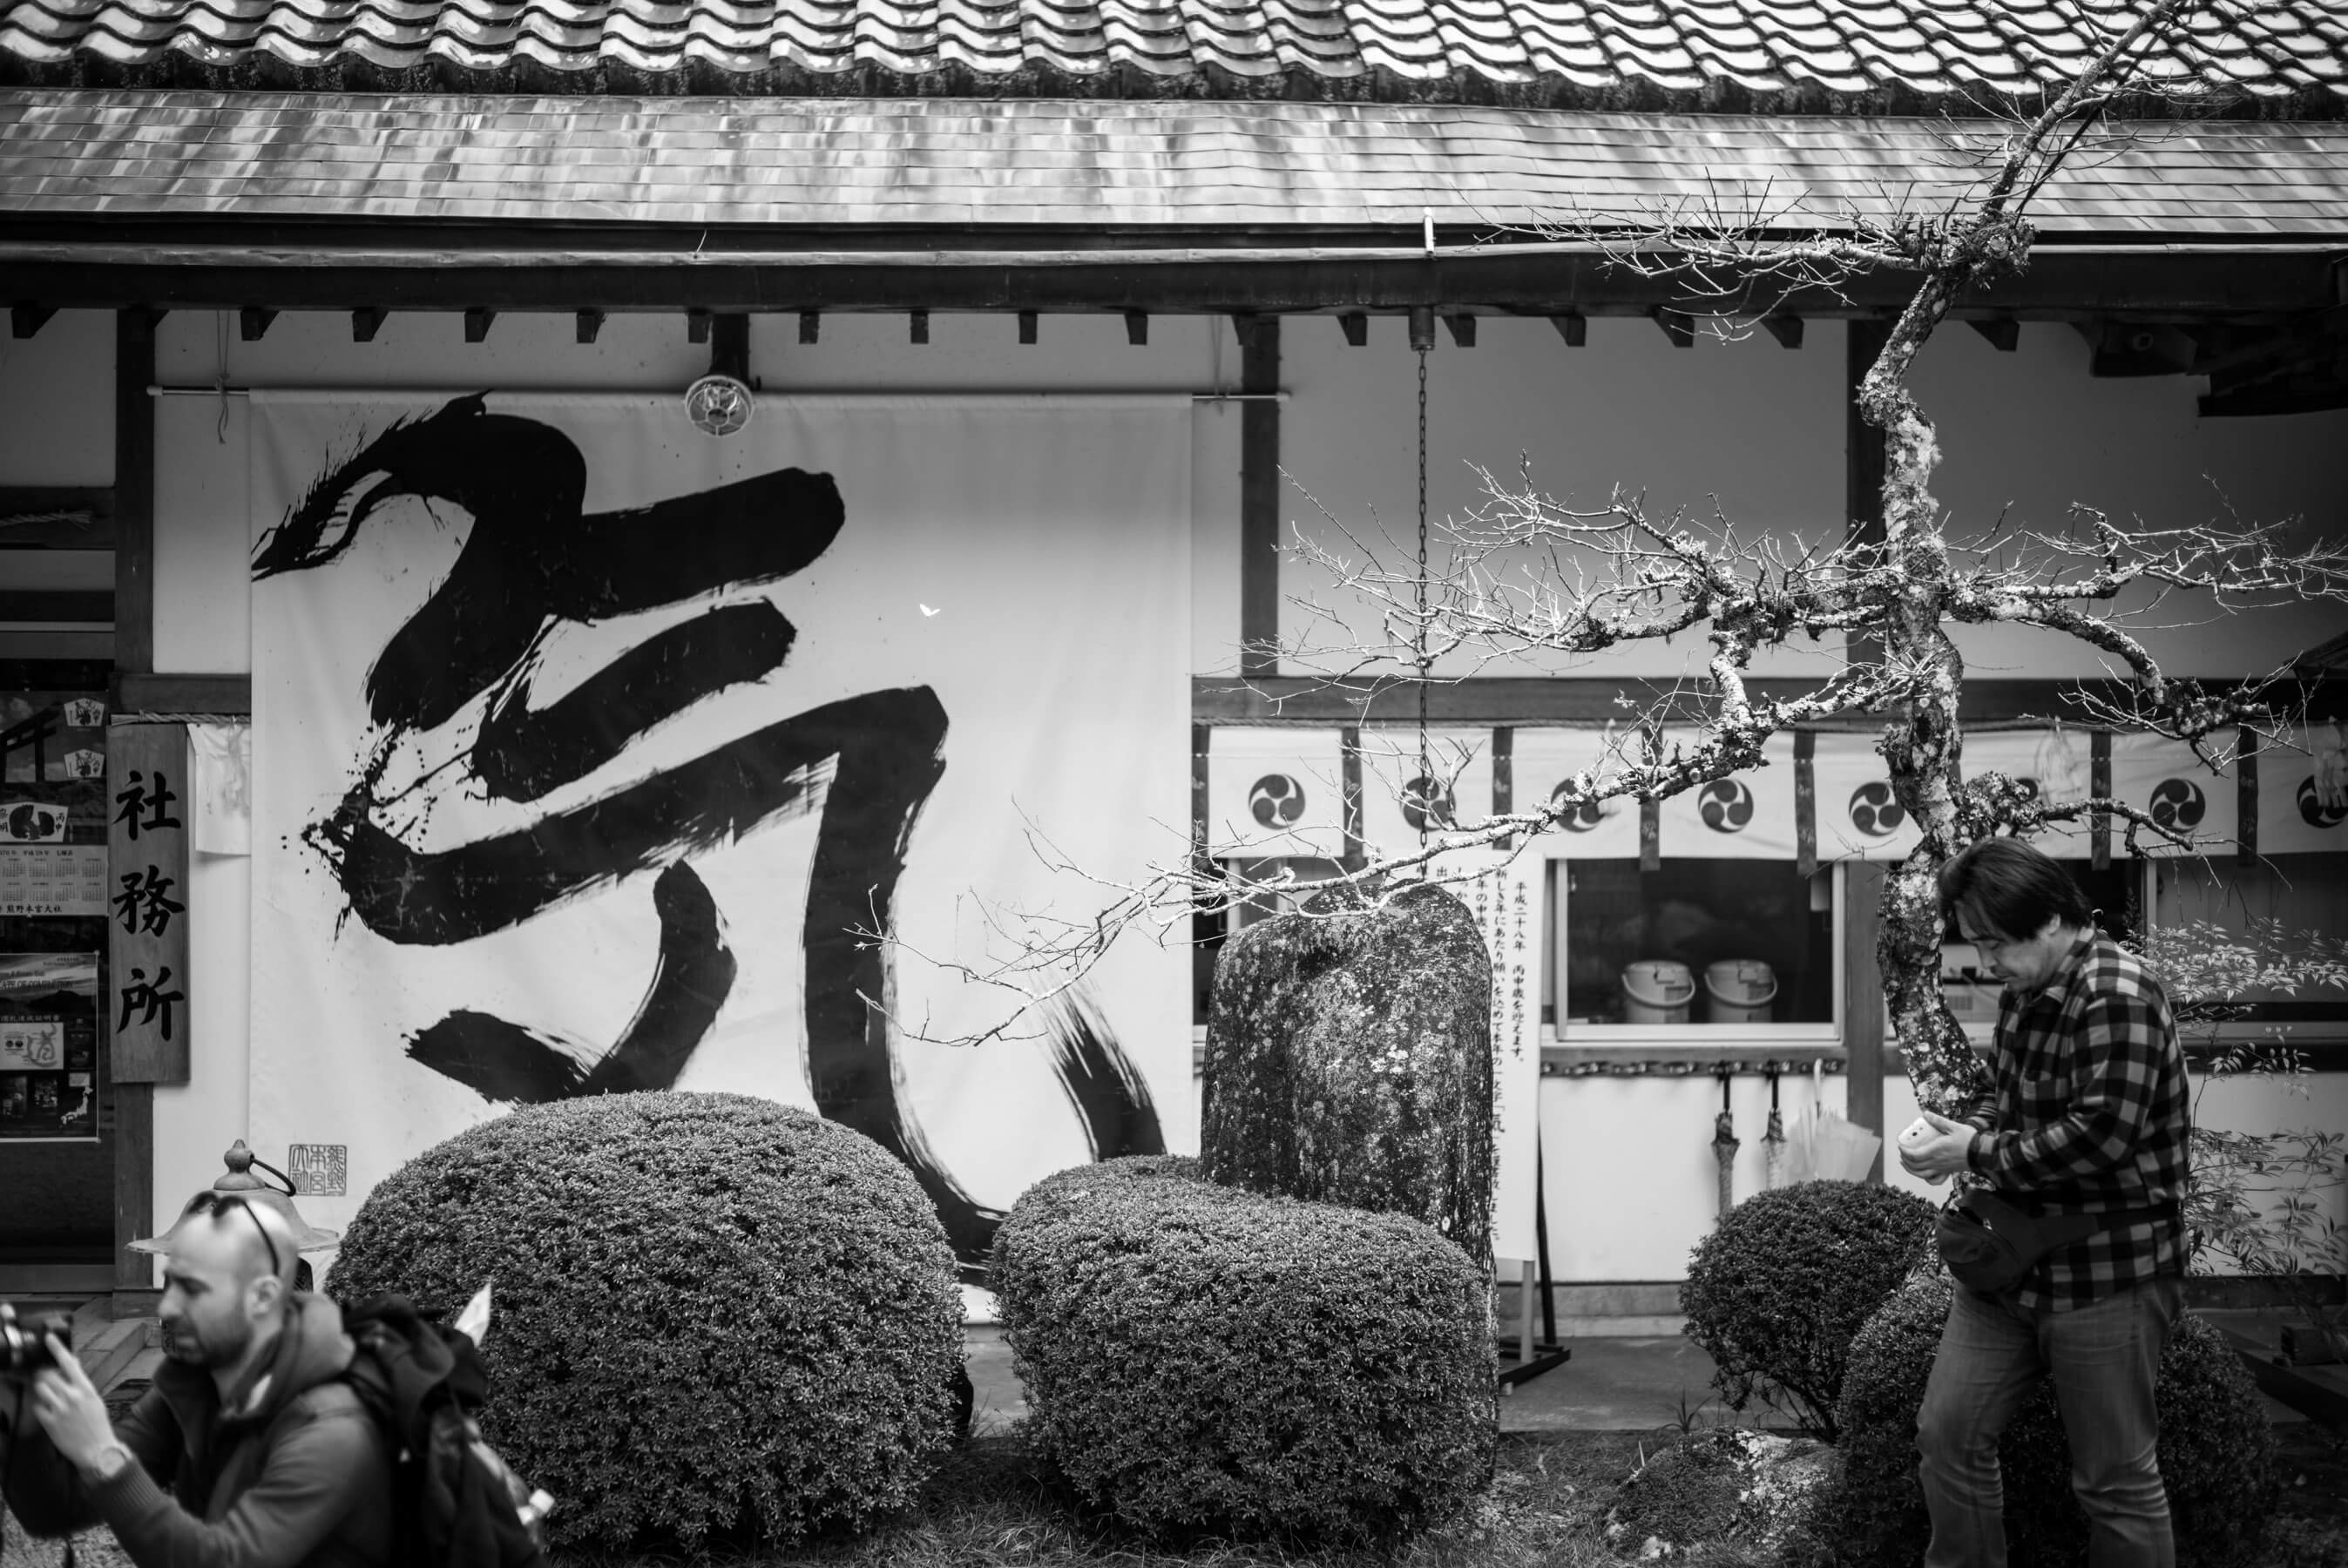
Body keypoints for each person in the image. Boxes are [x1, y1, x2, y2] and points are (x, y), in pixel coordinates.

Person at [1899, 835, 2192, 1568]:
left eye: (1996, 944)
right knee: (1947, 1435)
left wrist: (1971, 1153)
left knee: (2115, 1480)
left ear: (2053, 921)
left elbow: (2099, 1140)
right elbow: (2011, 1105)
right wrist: (1965, 1134)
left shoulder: (2117, 993)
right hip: (2010, 1270)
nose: (1987, 963)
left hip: (2108, 1274)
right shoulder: (2029, 989)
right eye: (1977, 946)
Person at [3, 1192, 391, 1568]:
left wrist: (104, 1455)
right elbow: (56, 1511)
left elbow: (224, 1560)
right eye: (171, 1283)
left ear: (263, 1296)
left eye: (193, 1289)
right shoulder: (199, 1385)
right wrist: (27, 1418)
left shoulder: (333, 1428)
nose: (168, 1308)